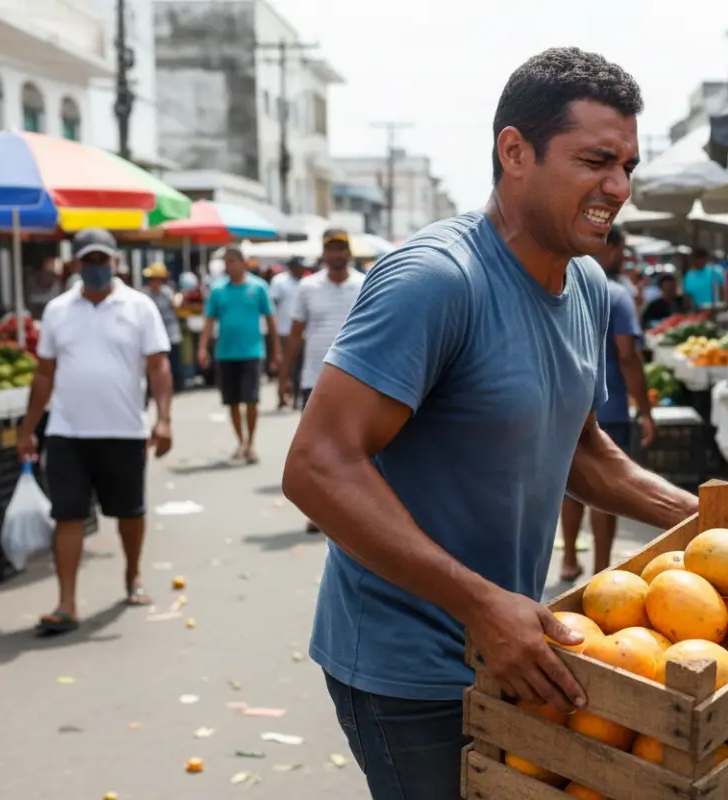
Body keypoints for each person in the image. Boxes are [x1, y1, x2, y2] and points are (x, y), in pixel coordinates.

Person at [282, 47, 698, 799]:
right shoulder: (436, 281)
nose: (619, 187)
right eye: (596, 161)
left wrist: (707, 519)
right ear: (515, 152)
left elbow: (582, 452)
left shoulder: (587, 284)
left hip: (515, 649)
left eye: (627, 166)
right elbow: (317, 466)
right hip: (409, 669)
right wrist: (479, 604)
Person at [15, 228, 173, 635]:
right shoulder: (58, 310)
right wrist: (28, 428)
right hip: (67, 432)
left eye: (103, 260)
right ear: (76, 263)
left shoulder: (139, 307)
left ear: (115, 261)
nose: (97, 267)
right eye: (89, 260)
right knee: (67, 514)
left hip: (124, 430)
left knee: (129, 513)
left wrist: (164, 418)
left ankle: (133, 574)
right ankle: (66, 602)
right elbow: (44, 374)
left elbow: (158, 366)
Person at [559, 224, 657, 581]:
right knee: (607, 488)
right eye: (622, 250)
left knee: (569, 486)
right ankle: (602, 570)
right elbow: (627, 355)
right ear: (610, 245)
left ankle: (569, 559)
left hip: (567, 406)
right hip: (610, 407)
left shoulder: (564, 286)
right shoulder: (615, 294)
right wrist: (645, 410)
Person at [279, 229, 365, 534]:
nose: (336, 254)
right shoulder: (308, 287)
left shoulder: (365, 284)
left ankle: (356, 510)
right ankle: (318, 512)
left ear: (349, 253)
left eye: (341, 248)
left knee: (355, 449)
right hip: (314, 377)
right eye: (331, 249)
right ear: (324, 253)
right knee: (316, 450)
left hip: (357, 379)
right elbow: (295, 333)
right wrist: (283, 374)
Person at [197, 247, 280, 463]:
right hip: (225, 353)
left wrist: (276, 350)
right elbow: (209, 321)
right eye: (227, 262)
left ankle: (251, 442)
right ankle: (241, 440)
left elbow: (270, 319)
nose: (230, 266)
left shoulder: (258, 287)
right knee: (232, 401)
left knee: (251, 399)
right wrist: (202, 347)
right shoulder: (218, 290)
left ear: (243, 263)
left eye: (233, 261)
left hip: (252, 351)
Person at [270, 257, 306, 409]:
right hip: (284, 331)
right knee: (285, 366)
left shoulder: (305, 282)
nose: (302, 270)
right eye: (299, 267)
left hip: (302, 332)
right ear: (291, 267)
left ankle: (297, 397)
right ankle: (281, 395)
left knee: (300, 368)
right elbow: (272, 306)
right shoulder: (280, 281)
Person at [141, 262, 183, 390]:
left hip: (170, 331)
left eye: (156, 279)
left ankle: (175, 385)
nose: (153, 282)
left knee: (173, 361)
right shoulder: (145, 295)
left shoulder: (167, 292)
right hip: (153, 333)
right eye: (151, 279)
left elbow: (176, 308)